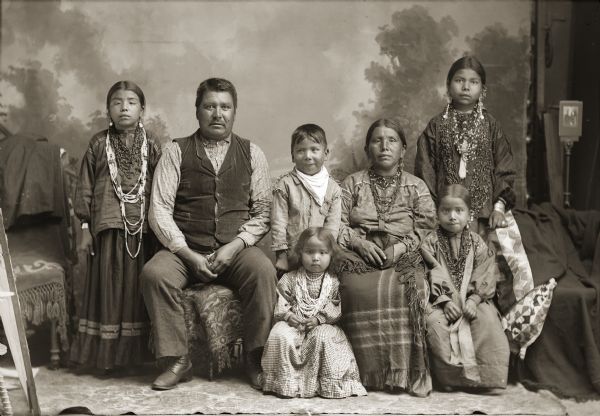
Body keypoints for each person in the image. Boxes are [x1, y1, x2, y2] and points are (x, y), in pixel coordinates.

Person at [140, 78, 277, 390]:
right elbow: (159, 209)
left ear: (234, 112)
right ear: (197, 111)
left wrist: (234, 246)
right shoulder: (176, 151)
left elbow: (263, 211)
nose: (218, 114)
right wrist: (187, 253)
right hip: (186, 248)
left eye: (225, 107)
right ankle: (177, 360)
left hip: (236, 249)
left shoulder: (252, 153)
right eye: (210, 106)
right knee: (154, 274)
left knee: (263, 272)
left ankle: (255, 358)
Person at [336, 118, 436, 397]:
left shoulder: (416, 186)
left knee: (410, 289)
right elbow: (337, 223)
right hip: (359, 255)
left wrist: (400, 248)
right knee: (355, 290)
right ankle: (362, 373)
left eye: (391, 140)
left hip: (404, 256)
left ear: (403, 149)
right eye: (377, 140)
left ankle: (404, 373)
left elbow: (427, 228)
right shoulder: (352, 183)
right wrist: (358, 243)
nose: (384, 146)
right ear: (368, 147)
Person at [70, 81, 162, 372]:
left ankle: (135, 359)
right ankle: (106, 359)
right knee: (109, 288)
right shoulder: (99, 143)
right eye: (117, 102)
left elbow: (163, 188)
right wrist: (85, 228)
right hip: (108, 227)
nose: (124, 107)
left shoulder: (152, 145)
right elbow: (84, 187)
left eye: (131, 102)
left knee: (137, 290)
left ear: (142, 109)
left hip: (143, 231)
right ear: (108, 110)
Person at [415, 55, 516, 236]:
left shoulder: (491, 125)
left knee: (492, 259)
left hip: (485, 216)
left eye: (473, 82)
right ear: (448, 85)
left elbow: (504, 166)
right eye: (459, 80)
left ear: (483, 89)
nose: (466, 87)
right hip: (445, 215)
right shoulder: (436, 125)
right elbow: (425, 170)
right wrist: (433, 210)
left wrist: (499, 208)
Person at [261, 227, 367, 398]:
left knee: (323, 337)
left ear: (331, 255)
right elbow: (280, 300)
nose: (315, 258)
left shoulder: (334, 282)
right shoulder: (290, 278)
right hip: (293, 324)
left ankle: (324, 384)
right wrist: (288, 315)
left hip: (322, 325)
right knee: (279, 335)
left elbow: (335, 305)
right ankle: (285, 383)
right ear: (300, 253)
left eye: (322, 253)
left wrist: (319, 319)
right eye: (309, 252)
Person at [421, 184, 509, 391]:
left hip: (473, 301)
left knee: (487, 322)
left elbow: (486, 273)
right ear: (437, 213)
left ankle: (486, 379)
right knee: (436, 326)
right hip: (440, 303)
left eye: (459, 211)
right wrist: (445, 300)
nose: (452, 217)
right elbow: (429, 272)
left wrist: (474, 299)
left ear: (469, 215)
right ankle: (451, 380)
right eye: (446, 211)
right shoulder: (430, 243)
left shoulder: (478, 243)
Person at [271, 124, 341, 275]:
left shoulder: (333, 188)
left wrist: (326, 254)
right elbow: (278, 222)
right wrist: (281, 256)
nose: (308, 156)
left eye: (314, 150)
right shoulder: (285, 185)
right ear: (292, 155)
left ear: (326, 153)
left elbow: (333, 225)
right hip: (292, 257)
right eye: (301, 150)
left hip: (320, 257)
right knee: (289, 292)